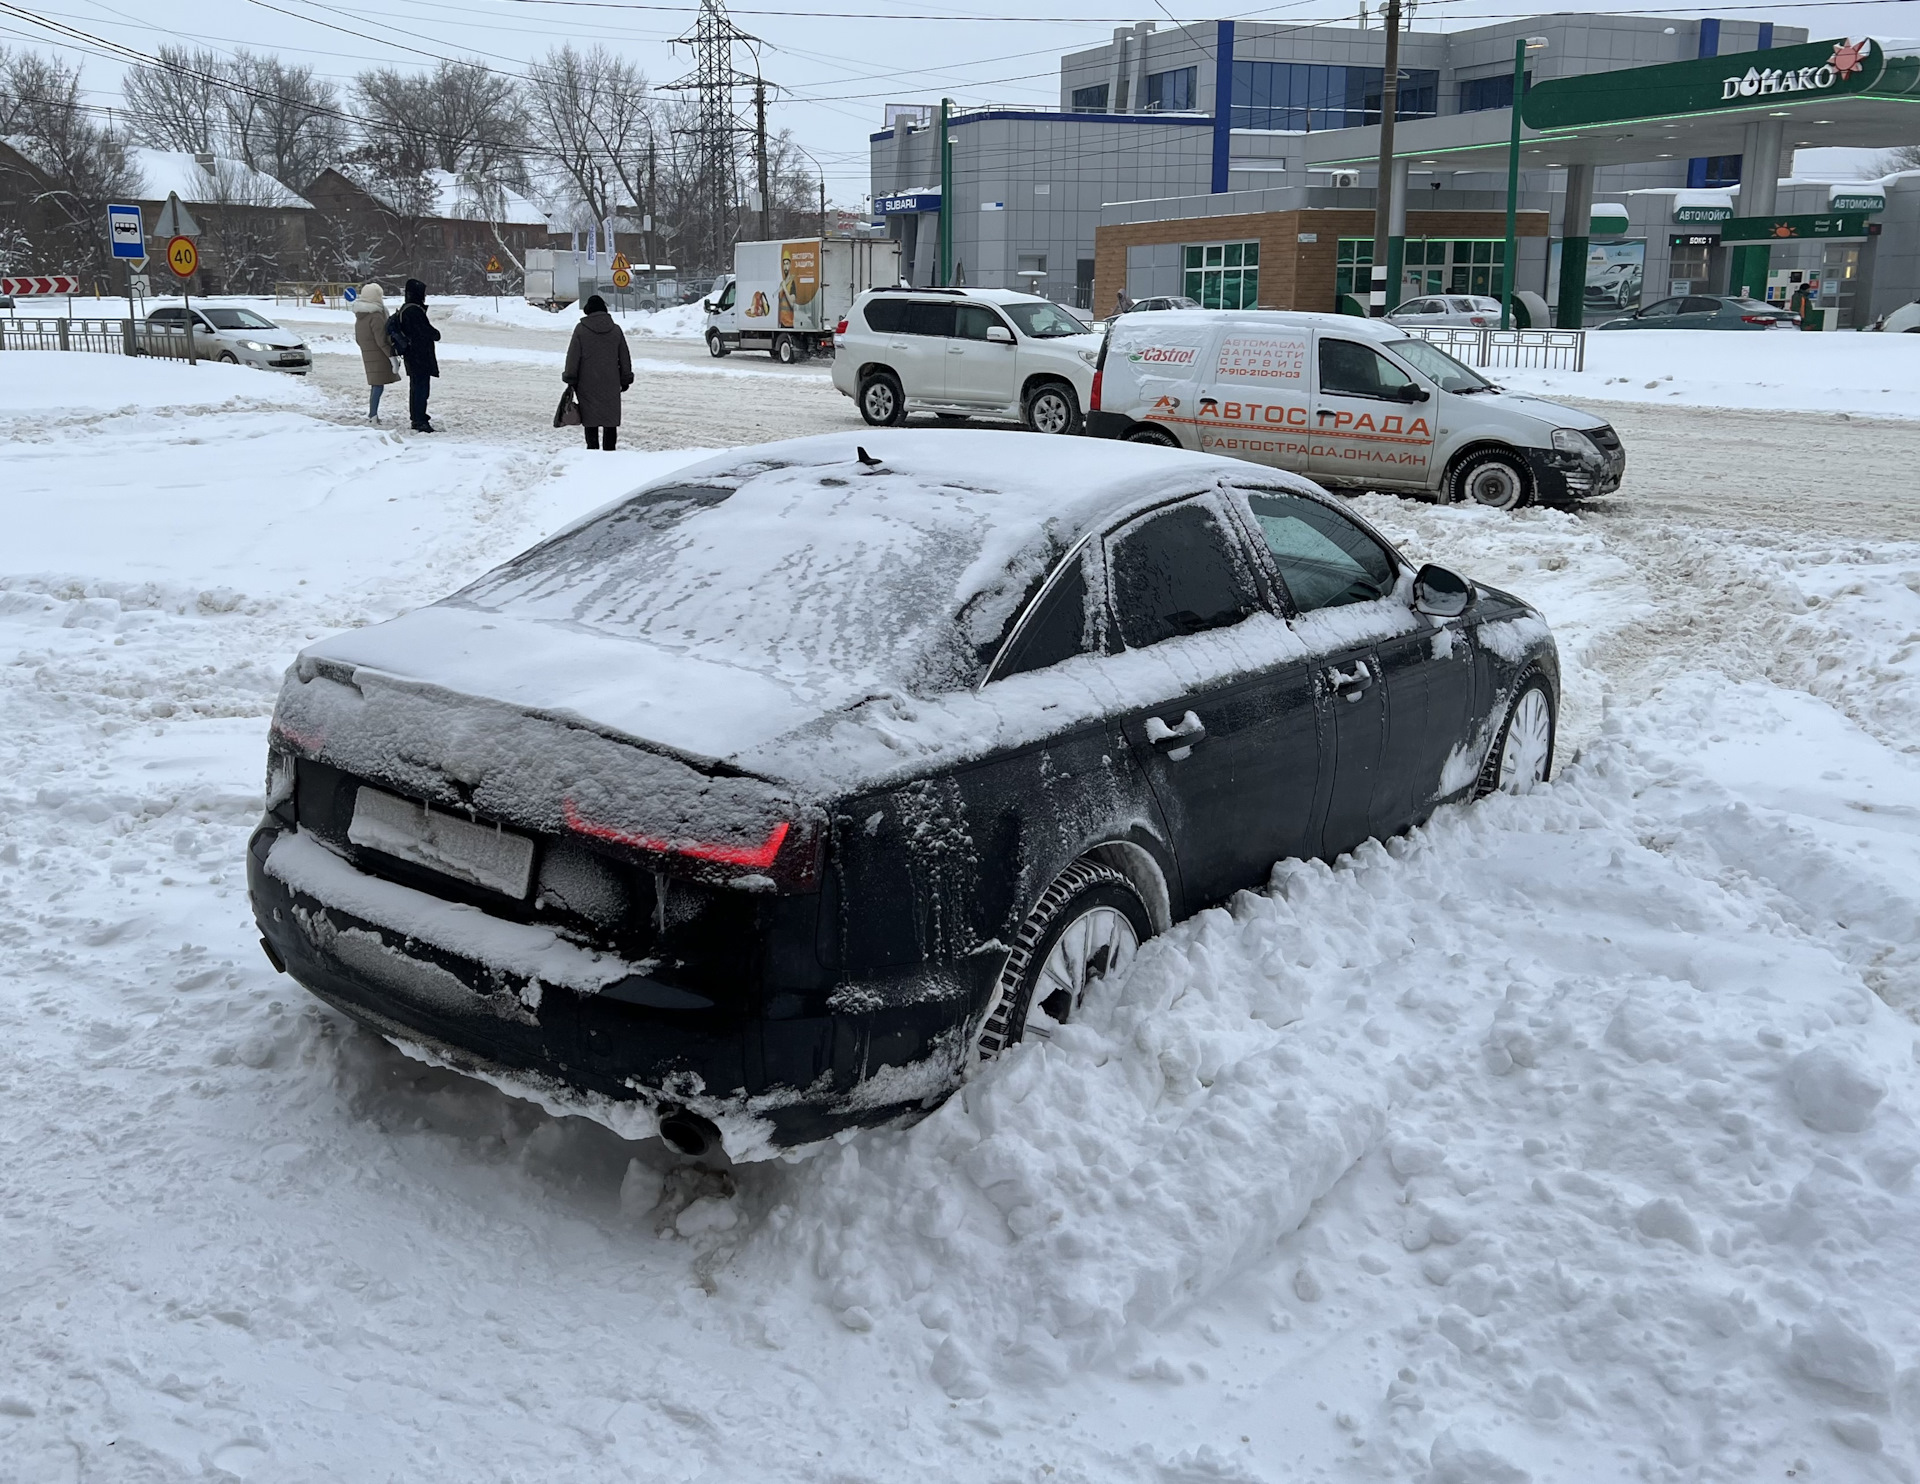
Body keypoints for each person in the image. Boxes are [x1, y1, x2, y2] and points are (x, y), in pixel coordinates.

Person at [563, 294, 632, 451]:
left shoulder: (581, 330)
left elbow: (573, 355)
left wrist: (570, 377)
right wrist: (625, 378)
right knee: (610, 419)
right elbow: (624, 356)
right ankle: (609, 450)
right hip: (611, 382)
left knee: (590, 419)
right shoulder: (615, 330)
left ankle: (592, 450)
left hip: (586, 382)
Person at [390, 277, 440, 433]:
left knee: (417, 388)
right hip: (419, 356)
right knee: (420, 389)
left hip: (414, 355)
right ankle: (419, 420)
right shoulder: (413, 311)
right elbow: (426, 332)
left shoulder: (407, 308)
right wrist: (435, 334)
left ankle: (418, 417)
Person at [350, 282, 399, 423]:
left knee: (376, 384)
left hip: (368, 353)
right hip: (379, 354)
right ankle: (373, 415)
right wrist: (392, 357)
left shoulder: (361, 314)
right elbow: (381, 340)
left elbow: (359, 338)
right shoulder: (376, 315)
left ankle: (373, 414)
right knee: (378, 385)